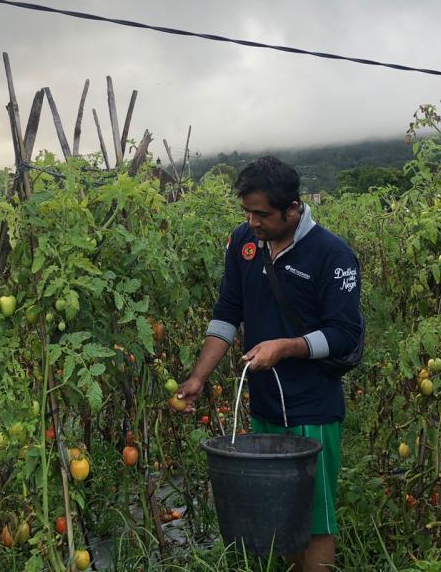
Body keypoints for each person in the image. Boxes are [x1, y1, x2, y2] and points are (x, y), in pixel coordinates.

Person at [176, 156, 363, 572]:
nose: (253, 222)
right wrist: (198, 377)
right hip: (265, 405)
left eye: (262, 214)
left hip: (312, 406)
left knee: (314, 521)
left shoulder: (332, 255)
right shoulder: (243, 243)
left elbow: (344, 333)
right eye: (247, 212)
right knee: (283, 517)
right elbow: (228, 311)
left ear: (293, 208)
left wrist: (286, 347)